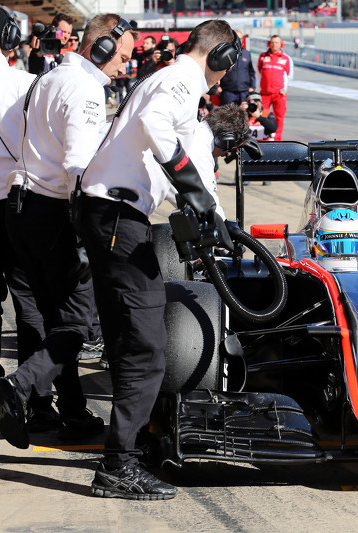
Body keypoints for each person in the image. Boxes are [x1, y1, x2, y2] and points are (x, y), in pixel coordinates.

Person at [78, 19, 239, 500]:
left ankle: (124, 452)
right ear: (221, 57)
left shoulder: (167, 79)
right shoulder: (180, 81)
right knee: (148, 348)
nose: (225, 77)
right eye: (227, 66)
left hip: (109, 213)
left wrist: (216, 214)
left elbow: (185, 154)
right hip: (117, 217)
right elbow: (158, 131)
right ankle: (118, 466)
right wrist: (195, 192)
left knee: (131, 343)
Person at [0, 15, 135, 450]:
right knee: (76, 318)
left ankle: (69, 410)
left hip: (20, 206)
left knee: (49, 315)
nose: (125, 66)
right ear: (100, 47)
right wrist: (95, 226)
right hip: (51, 212)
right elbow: (78, 167)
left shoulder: (48, 78)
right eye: (121, 56)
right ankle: (21, 389)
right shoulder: (82, 88)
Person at [0, 4, 45, 424]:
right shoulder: (26, 83)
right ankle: (33, 398)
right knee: (31, 304)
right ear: (7, 38)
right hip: (19, 204)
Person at [257, 35, 292, 140]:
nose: (274, 44)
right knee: (262, 114)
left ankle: (277, 139)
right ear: (269, 43)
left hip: (279, 94)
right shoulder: (262, 57)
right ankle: (264, 136)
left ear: (281, 44)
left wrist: (283, 89)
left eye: (276, 42)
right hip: (265, 93)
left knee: (279, 116)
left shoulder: (286, 58)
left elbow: (289, 75)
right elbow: (259, 71)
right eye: (272, 42)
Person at [219, 30, 255, 105]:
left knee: (243, 116)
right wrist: (216, 88)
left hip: (244, 92)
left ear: (242, 40)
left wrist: (252, 87)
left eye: (240, 38)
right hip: (228, 92)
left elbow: (251, 72)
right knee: (228, 115)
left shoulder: (246, 54)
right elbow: (217, 70)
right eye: (235, 38)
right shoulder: (225, 54)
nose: (238, 40)